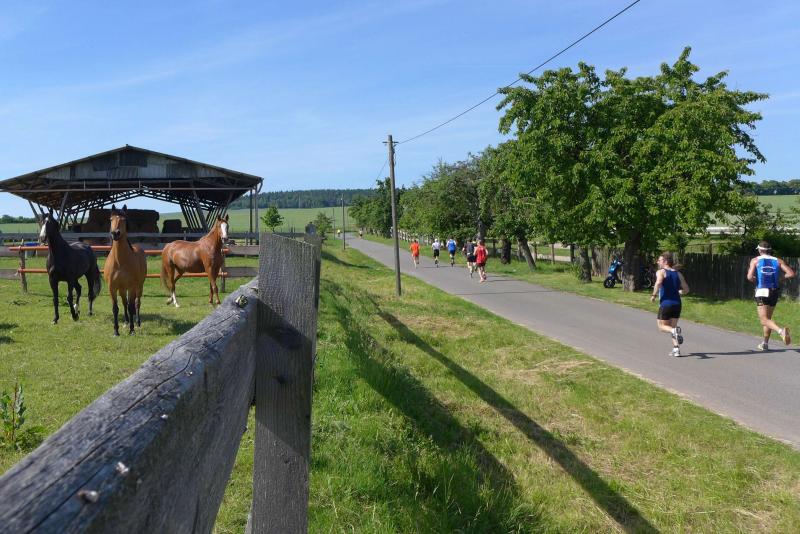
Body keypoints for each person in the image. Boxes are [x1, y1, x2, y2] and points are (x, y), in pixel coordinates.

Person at [747, 241, 795, 351]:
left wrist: (755, 279)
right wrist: (780, 279)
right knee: (768, 319)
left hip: (762, 291)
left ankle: (781, 331)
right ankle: (765, 343)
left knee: (764, 320)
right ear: (769, 250)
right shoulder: (778, 261)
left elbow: (749, 277)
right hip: (774, 291)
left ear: (760, 250)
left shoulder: (755, 260)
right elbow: (791, 274)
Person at [650, 252, 690, 357]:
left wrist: (653, 295)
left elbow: (658, 283)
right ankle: (676, 349)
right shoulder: (678, 274)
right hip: (677, 304)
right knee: (673, 326)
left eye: (659, 260)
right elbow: (686, 289)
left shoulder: (661, 272)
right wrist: (680, 292)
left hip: (666, 303)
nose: (658, 262)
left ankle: (674, 331)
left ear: (665, 261)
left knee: (662, 327)